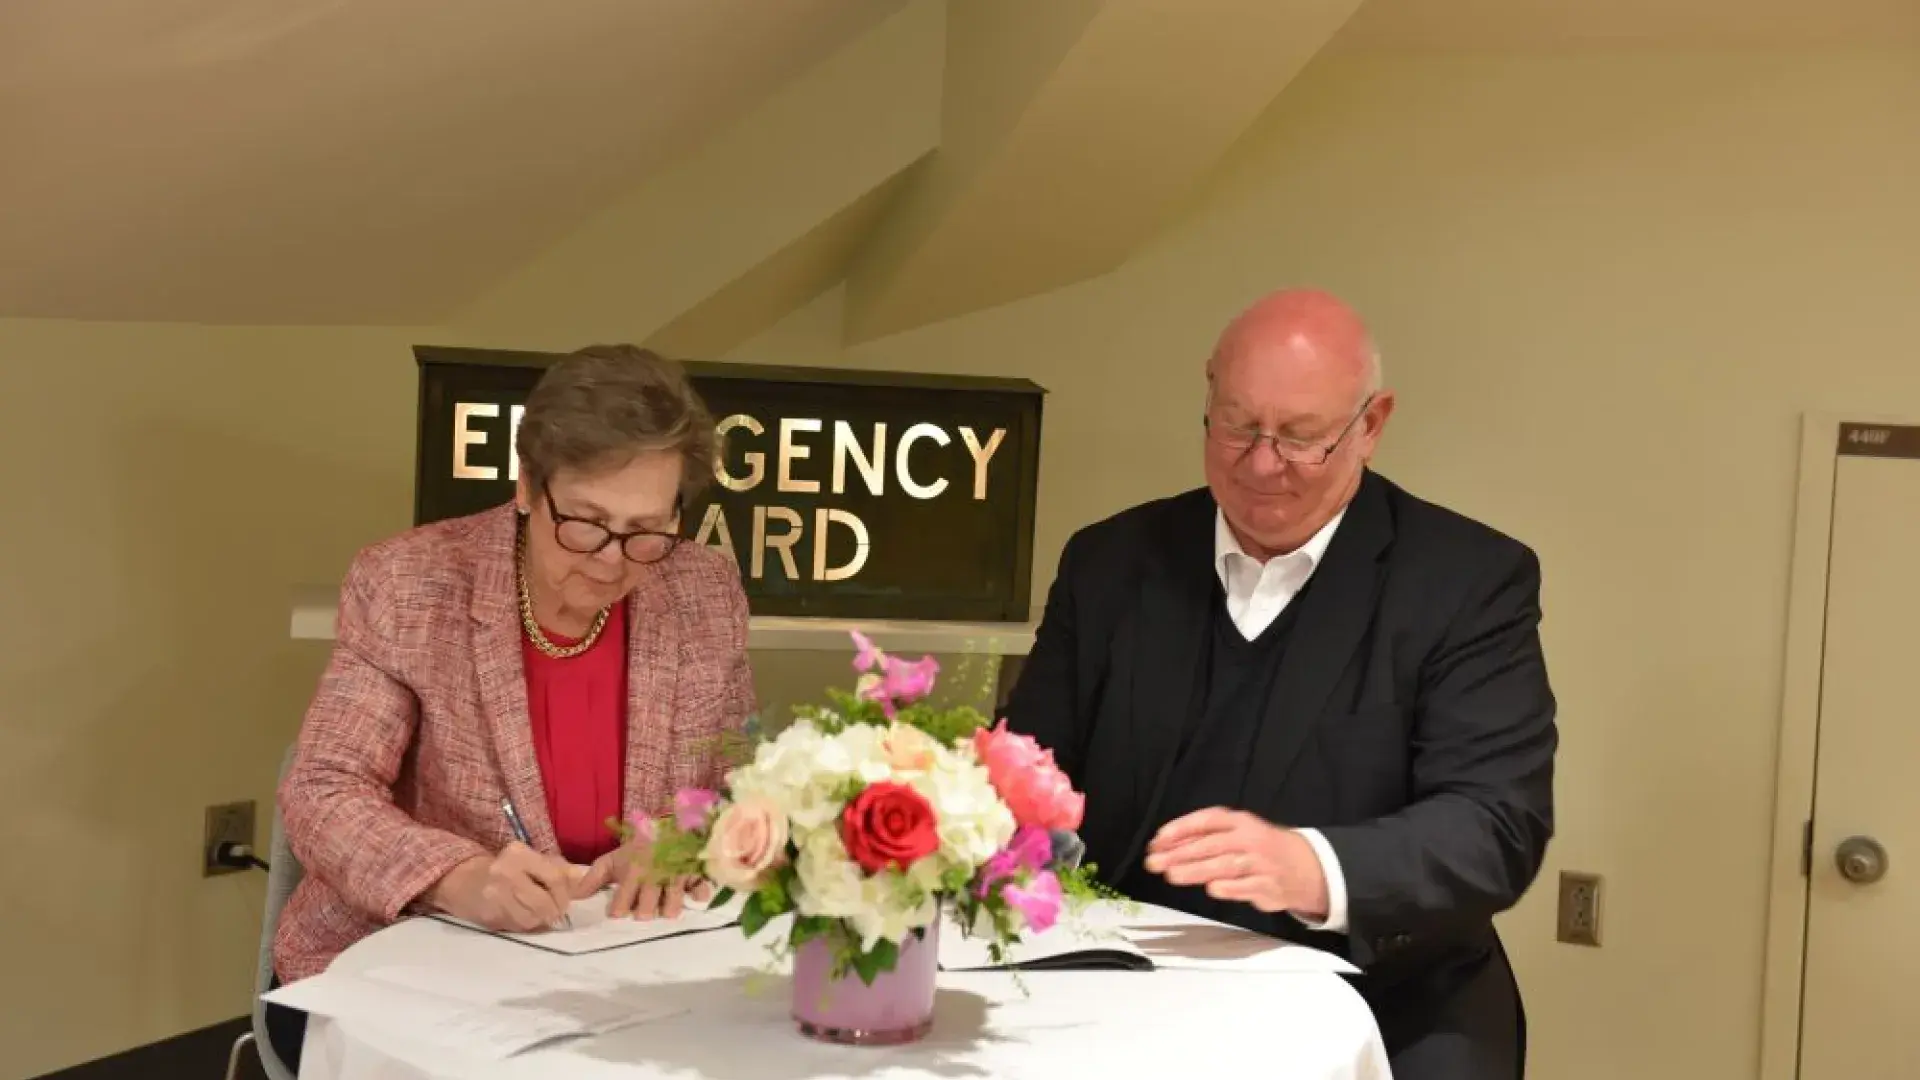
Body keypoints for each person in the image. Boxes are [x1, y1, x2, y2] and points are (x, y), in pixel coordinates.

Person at [1002, 289, 1556, 1079]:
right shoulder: (1109, 564)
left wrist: (1311, 866)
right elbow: (1031, 778)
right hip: (1135, 984)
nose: (1262, 465)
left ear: (1370, 425)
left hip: (1384, 999)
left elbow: (1493, 826)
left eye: (1302, 439)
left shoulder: (1467, 581)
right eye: (1237, 425)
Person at [265, 345, 755, 1070]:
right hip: (415, 968)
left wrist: (683, 843)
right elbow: (322, 792)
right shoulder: (409, 582)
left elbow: (743, 777)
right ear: (528, 484)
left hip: (630, 970)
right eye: (584, 522)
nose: (613, 559)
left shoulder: (701, 590)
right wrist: (456, 876)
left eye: (647, 528)